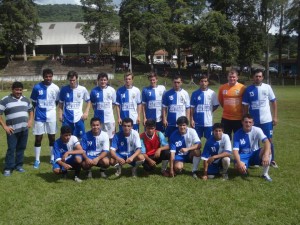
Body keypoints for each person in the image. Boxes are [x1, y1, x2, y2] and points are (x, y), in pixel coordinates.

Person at [242, 69, 278, 168]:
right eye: (256, 76)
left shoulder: (267, 87)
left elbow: (273, 102)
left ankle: (272, 160)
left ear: (262, 77)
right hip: (253, 121)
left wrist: (275, 117)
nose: (258, 78)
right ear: (253, 77)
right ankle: (256, 160)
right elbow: (245, 106)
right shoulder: (248, 89)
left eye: (259, 76)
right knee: (254, 141)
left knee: (269, 140)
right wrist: (244, 119)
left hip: (266, 120)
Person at [0, 82, 33, 176]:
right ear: (12, 90)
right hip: (12, 130)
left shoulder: (26, 100)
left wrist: (30, 121)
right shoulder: (5, 100)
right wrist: (5, 127)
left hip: (24, 129)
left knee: (21, 148)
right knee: (11, 149)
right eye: (16, 90)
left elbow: (31, 110)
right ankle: (8, 168)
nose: (18, 92)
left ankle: (19, 166)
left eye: (20, 90)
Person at [30, 68, 60, 168]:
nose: (48, 78)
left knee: (52, 137)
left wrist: (50, 110)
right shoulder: (37, 87)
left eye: (50, 76)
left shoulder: (56, 88)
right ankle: (37, 160)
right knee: (38, 138)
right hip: (39, 116)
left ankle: (52, 158)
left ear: (52, 77)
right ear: (43, 77)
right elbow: (34, 102)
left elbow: (56, 102)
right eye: (46, 76)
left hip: (51, 116)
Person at [232, 114, 272, 182]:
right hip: (243, 156)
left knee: (268, 150)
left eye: (250, 122)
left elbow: (267, 142)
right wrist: (239, 163)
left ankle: (265, 174)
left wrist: (265, 155)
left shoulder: (257, 130)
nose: (248, 124)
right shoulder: (237, 134)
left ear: (253, 123)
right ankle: (244, 166)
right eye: (246, 122)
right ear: (242, 122)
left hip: (255, 154)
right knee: (238, 168)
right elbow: (235, 151)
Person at [58, 71, 91, 139]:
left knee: (81, 138)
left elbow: (88, 101)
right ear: (68, 79)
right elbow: (61, 103)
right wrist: (60, 114)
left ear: (76, 79)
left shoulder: (82, 89)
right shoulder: (64, 89)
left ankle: (81, 150)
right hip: (67, 119)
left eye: (73, 80)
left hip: (79, 118)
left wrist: (86, 112)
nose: (72, 82)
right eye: (70, 80)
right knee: (66, 138)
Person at [218, 69, 245, 139]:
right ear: (227, 77)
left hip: (238, 118)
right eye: (230, 77)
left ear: (237, 78)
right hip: (226, 118)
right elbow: (221, 101)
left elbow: (245, 102)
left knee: (239, 138)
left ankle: (238, 150)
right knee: (226, 138)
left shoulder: (242, 87)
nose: (232, 78)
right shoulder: (222, 87)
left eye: (233, 77)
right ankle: (227, 150)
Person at [190, 75, 219, 140]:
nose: (203, 83)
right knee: (196, 141)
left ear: (208, 82)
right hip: (197, 122)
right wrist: (191, 119)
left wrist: (210, 110)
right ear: (199, 82)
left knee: (210, 141)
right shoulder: (194, 93)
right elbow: (192, 108)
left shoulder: (212, 93)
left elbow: (216, 105)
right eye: (202, 81)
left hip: (208, 122)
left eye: (205, 81)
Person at [90, 72, 116, 141]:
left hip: (109, 118)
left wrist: (108, 110)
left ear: (107, 81)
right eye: (101, 80)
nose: (103, 81)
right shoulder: (94, 91)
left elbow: (113, 104)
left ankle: (110, 151)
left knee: (111, 137)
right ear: (98, 81)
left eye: (104, 80)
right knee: (99, 136)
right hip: (98, 119)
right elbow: (93, 104)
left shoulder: (112, 90)